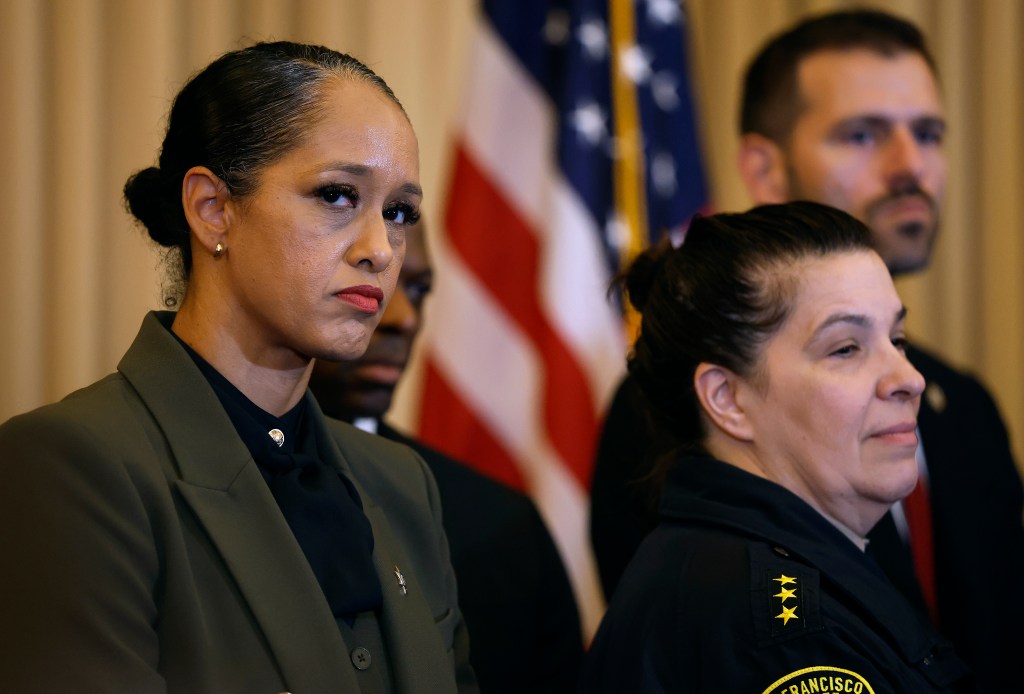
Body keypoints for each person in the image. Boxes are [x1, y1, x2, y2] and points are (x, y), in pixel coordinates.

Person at [0, 41, 477, 694]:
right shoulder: (71, 464)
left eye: (398, 212)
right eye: (338, 195)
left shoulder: (401, 484)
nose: (380, 250)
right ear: (212, 208)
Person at [589, 11, 1024, 691]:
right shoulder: (658, 412)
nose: (911, 166)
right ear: (725, 399)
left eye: (929, 134)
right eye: (863, 134)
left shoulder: (959, 403)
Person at [580, 201, 973, 693]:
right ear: (729, 399)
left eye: (897, 339)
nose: (909, 379)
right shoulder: (785, 637)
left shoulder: (740, 570)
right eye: (846, 348)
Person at [309, 220, 584, 693]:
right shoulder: (176, 478)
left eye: (417, 289)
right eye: (369, 278)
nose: (404, 318)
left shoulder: (502, 526)